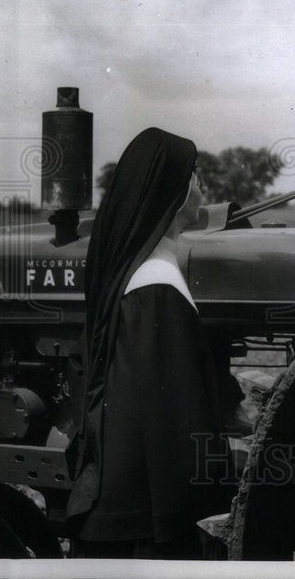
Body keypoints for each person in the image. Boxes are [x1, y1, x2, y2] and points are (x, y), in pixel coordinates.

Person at [66, 128, 231, 558]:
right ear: (173, 192)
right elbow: (176, 418)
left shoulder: (143, 270)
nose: (201, 186)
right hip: (143, 521)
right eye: (195, 175)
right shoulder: (156, 288)